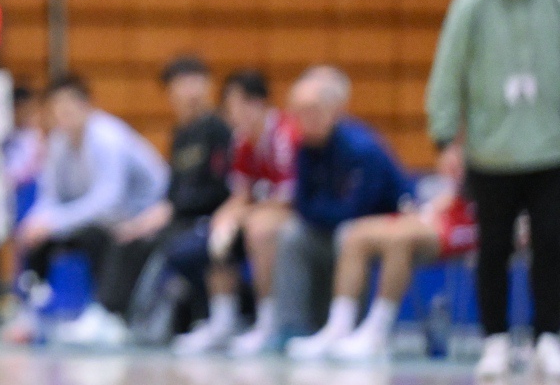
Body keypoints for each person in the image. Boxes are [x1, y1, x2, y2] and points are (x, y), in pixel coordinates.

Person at [426, 0, 560, 380]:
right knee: (494, 249)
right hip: (490, 152)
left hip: (550, 150)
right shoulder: (470, 3)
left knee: (552, 245)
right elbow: (448, 73)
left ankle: (549, 339)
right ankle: (495, 341)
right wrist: (446, 137)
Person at [61, 55, 238, 346]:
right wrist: (143, 222)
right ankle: (109, 314)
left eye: (194, 82)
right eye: (181, 85)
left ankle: (117, 315)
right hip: (179, 217)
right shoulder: (181, 134)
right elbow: (173, 194)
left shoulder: (218, 130)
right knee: (125, 236)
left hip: (207, 218)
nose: (189, 92)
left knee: (147, 243)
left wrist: (165, 215)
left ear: (207, 85)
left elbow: (220, 189)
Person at [244, 65, 412, 353]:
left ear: (333, 110)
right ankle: (291, 327)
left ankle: (346, 326)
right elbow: (304, 205)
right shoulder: (306, 148)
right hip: (330, 227)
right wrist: (320, 212)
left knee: (349, 235)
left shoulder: (361, 149)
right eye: (297, 111)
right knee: (292, 234)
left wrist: (321, 212)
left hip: (377, 228)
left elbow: (358, 209)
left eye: (310, 110)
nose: (302, 119)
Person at [13, 74, 169, 330]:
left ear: (86, 106)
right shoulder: (59, 142)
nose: (64, 114)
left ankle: (106, 314)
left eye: (69, 106)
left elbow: (108, 200)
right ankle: (31, 310)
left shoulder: (107, 137)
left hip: (145, 213)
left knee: (99, 236)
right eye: (58, 108)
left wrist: (55, 222)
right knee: (36, 238)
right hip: (104, 217)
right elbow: (50, 196)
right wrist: (36, 222)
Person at [178, 68, 301, 353]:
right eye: (230, 108)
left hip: (292, 211)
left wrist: (244, 215)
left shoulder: (284, 135)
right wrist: (224, 217)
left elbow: (287, 197)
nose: (234, 115)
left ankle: (269, 322)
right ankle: (222, 321)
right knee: (219, 229)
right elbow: (240, 195)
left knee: (259, 231)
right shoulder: (241, 140)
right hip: (260, 210)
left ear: (257, 103)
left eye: (238, 106)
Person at [283, 184, 476, 362]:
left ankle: (377, 333)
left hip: (467, 221)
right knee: (356, 234)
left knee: (399, 239)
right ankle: (338, 327)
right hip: (437, 213)